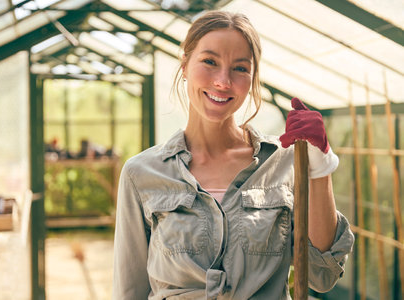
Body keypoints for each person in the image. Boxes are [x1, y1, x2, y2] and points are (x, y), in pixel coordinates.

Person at [113, 10, 354, 299]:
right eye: (210, 62)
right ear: (185, 64)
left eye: (240, 68)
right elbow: (130, 290)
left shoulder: (286, 163)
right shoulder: (141, 173)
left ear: (253, 79)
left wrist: (320, 164)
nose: (223, 82)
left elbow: (322, 274)